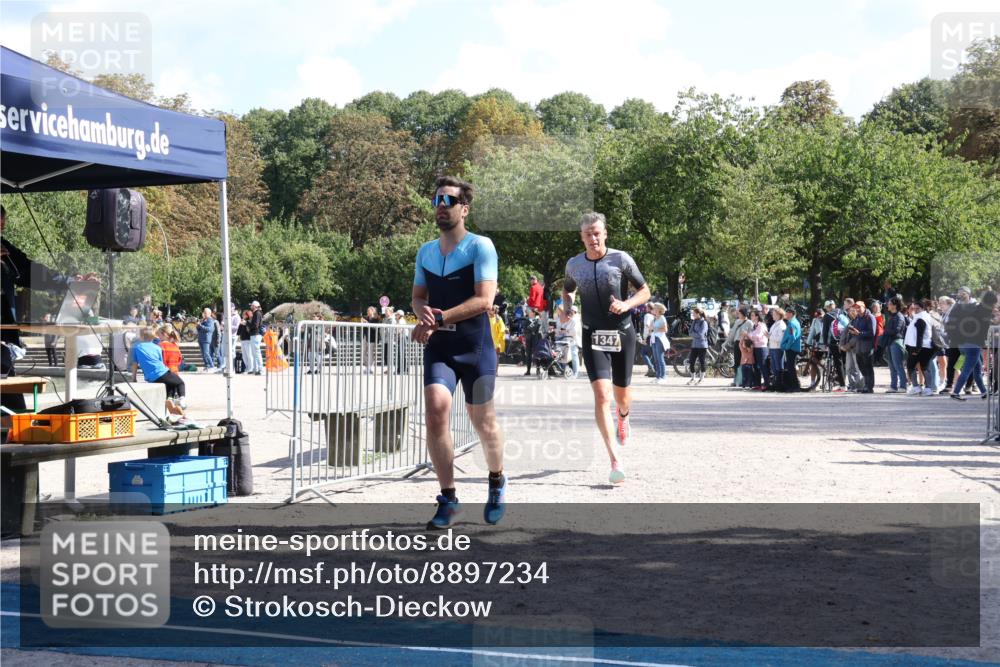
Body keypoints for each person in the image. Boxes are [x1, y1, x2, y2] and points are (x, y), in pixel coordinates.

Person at [410, 176, 506, 529]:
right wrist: (423, 314)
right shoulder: (425, 251)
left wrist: (438, 318)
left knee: (484, 423)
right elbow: (418, 297)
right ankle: (449, 500)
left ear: (464, 209)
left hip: (475, 348)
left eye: (448, 200)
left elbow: (484, 300)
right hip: (441, 348)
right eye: (437, 199)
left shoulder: (481, 246)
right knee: (435, 412)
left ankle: (496, 479)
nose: (440, 205)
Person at [562, 211, 650, 485]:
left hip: (622, 333)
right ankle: (615, 460)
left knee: (621, 397)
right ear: (582, 237)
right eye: (588, 234)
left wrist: (626, 304)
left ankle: (623, 415)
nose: (593, 238)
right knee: (602, 396)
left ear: (605, 234)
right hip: (592, 334)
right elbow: (568, 290)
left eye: (597, 233)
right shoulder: (574, 264)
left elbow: (645, 290)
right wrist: (567, 307)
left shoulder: (621, 259)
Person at [1, 205, 99, 412]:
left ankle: (15, 427)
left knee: (14, 411)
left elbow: (33, 272)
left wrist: (71, 281)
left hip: (3, 339)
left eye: (2, 225)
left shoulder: (5, 250)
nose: (2, 229)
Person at [128, 326, 187, 417]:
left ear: (141, 337)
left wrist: (134, 378)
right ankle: (182, 400)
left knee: (171, 383)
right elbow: (161, 363)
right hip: (161, 372)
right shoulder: (157, 348)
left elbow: (135, 364)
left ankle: (170, 399)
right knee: (180, 383)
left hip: (150, 377)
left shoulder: (137, 347)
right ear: (153, 337)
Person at [949, 290, 997, 401]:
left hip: (964, 343)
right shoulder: (985, 313)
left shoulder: (976, 308)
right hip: (974, 345)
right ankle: (956, 392)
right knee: (967, 370)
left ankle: (984, 392)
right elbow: (986, 329)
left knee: (977, 369)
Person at [905, 299, 938, 396]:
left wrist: (917, 349)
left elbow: (920, 335)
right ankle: (927, 388)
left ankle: (918, 387)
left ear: (923, 308)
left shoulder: (921, 319)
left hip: (920, 346)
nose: (915, 310)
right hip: (925, 346)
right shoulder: (924, 316)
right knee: (924, 367)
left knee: (911, 366)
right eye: (914, 308)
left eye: (917, 308)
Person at [882, 296, 909, 393]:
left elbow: (897, 330)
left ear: (894, 305)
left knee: (898, 365)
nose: (887, 305)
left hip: (896, 342)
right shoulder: (892, 316)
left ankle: (903, 386)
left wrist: (885, 331)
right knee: (892, 366)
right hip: (890, 342)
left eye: (889, 304)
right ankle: (893, 386)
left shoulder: (899, 316)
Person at [849, 301, 876, 393]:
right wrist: (853, 332)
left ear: (864, 307)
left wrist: (859, 333)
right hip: (859, 346)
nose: (857, 309)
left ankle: (869, 387)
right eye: (856, 307)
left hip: (867, 346)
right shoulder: (857, 318)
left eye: (859, 307)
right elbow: (856, 331)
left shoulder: (870, 317)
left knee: (868, 366)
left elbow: (872, 333)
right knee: (861, 365)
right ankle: (866, 384)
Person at [779, 306, 802, 391]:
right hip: (792, 348)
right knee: (791, 367)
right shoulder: (794, 322)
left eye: (787, 313)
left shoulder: (792, 324)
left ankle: (795, 386)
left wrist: (786, 347)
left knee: (791, 368)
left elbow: (792, 337)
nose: (785, 314)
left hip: (791, 349)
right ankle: (794, 386)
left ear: (791, 314)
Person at [556, 305, 581, 379]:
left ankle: (576, 373)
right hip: (567, 340)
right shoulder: (570, 319)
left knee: (574, 356)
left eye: (571, 311)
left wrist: (565, 331)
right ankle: (566, 372)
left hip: (574, 340)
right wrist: (561, 330)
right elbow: (564, 328)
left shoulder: (575, 320)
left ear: (574, 312)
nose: (570, 312)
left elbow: (574, 332)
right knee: (565, 356)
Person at [747, 309, 769, 390]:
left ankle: (767, 384)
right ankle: (758, 384)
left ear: (757, 316)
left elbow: (758, 336)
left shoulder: (761, 325)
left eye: (752, 315)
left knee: (763, 366)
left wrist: (749, 335)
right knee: (756, 366)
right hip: (755, 347)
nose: (751, 317)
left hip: (762, 348)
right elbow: (753, 335)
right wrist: (750, 335)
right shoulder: (754, 326)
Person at [687, 307, 710, 385]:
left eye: (694, 313)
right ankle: (693, 378)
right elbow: (689, 332)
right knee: (691, 361)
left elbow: (701, 334)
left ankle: (701, 379)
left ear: (698, 314)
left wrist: (693, 334)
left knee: (702, 362)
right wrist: (694, 334)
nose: (693, 315)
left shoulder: (704, 323)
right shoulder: (694, 321)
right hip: (694, 345)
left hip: (702, 345)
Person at [650, 302, 670, 385]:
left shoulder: (662, 318)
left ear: (658, 309)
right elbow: (651, 329)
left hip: (660, 339)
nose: (653, 309)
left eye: (654, 308)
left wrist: (654, 329)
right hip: (654, 339)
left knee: (660, 359)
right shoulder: (654, 318)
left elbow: (665, 330)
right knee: (656, 359)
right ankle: (658, 377)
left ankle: (663, 377)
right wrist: (651, 328)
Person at [766, 307, 786, 388]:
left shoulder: (781, 325)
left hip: (778, 348)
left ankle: (780, 384)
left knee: (778, 367)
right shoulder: (775, 324)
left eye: (774, 314)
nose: (772, 315)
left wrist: (769, 337)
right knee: (774, 367)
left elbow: (781, 339)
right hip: (773, 347)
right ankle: (776, 383)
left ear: (779, 315)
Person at [196, 307, 218, 371]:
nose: (204, 314)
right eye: (204, 312)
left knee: (206, 353)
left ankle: (211, 366)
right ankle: (207, 365)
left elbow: (209, 329)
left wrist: (200, 325)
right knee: (203, 354)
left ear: (209, 313)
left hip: (206, 339)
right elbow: (199, 329)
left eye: (205, 313)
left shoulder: (210, 320)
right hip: (201, 339)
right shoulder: (203, 320)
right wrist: (198, 326)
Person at [247, 300, 265, 375]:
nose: (250, 306)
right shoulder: (257, 313)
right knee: (255, 353)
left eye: (251, 305)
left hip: (256, 334)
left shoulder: (257, 313)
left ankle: (261, 369)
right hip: (255, 334)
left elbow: (255, 325)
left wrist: (247, 323)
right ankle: (257, 369)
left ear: (254, 306)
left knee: (257, 353)